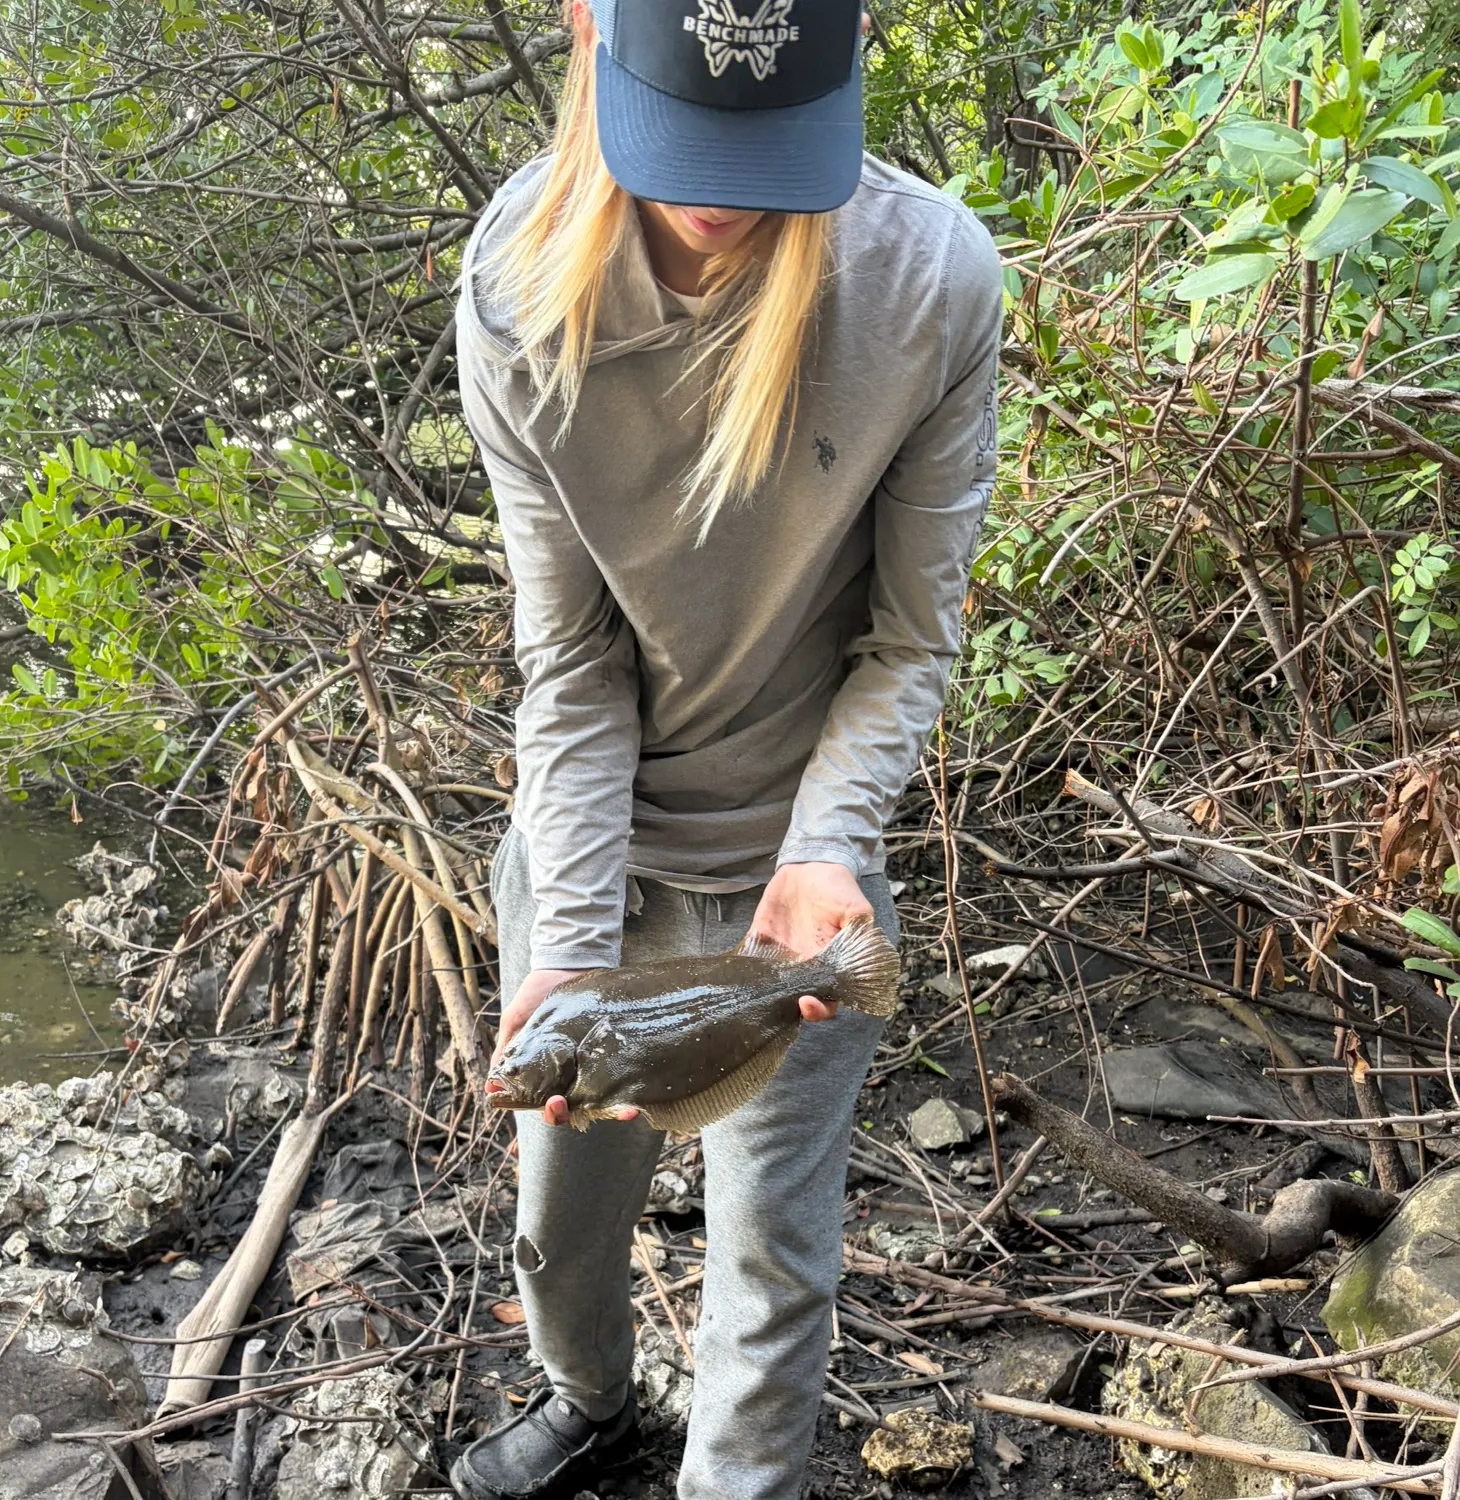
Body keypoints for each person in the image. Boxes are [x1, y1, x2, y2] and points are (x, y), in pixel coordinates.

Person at [450, 0, 1001, 1493]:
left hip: (799, 894)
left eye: (770, 149)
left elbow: (909, 640)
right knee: (561, 1210)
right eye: (689, 131)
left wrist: (829, 849)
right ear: (587, 27)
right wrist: (564, 943)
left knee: (771, 1257)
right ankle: (588, 1400)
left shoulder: (930, 283)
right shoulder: (513, 292)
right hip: (598, 858)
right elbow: (569, 664)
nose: (724, 196)